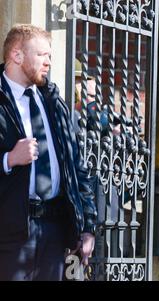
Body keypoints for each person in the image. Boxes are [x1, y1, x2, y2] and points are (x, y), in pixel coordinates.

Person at [0, 24, 97, 281]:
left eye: (50, 56)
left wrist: (87, 227)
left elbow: (77, 168)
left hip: (54, 232)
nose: (49, 62)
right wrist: (8, 160)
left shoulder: (53, 101)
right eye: (42, 55)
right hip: (10, 233)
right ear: (17, 55)